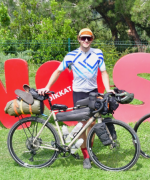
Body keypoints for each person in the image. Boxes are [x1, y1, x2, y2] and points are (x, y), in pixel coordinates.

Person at [38, 28, 113, 169]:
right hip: (79, 94)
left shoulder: (98, 53)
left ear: (92, 39)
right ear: (78, 39)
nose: (86, 40)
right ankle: (86, 156)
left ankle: (89, 150)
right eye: (83, 38)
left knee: (92, 124)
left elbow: (104, 72)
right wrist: (47, 86)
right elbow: (58, 70)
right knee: (82, 125)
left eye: (89, 38)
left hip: (93, 92)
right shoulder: (71, 55)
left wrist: (108, 89)